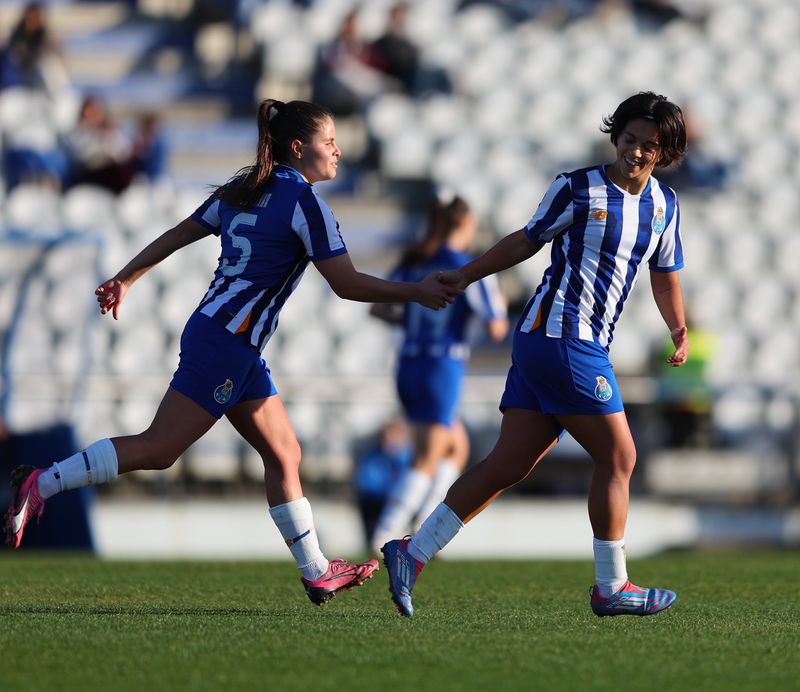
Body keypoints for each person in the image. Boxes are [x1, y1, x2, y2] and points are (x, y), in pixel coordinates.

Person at [4, 98, 460, 607]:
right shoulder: (304, 203)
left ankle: (317, 572)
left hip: (225, 338)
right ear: (297, 147)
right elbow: (347, 285)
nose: (336, 150)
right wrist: (417, 291)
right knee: (159, 449)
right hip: (227, 343)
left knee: (284, 452)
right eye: (327, 141)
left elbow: (181, 233)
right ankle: (42, 482)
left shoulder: (245, 190)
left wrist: (127, 277)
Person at [381, 91, 690, 618]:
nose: (635, 152)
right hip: (561, 336)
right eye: (630, 140)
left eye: (649, 146)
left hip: (561, 341)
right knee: (620, 456)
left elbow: (665, 273)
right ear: (615, 135)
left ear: (665, 152)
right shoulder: (578, 187)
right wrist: (469, 272)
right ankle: (611, 586)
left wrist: (678, 328)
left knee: (509, 463)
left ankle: (412, 552)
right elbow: (525, 241)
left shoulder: (664, 206)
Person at [369, 195, 508, 552]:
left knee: (455, 447)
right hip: (441, 366)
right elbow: (496, 327)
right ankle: (385, 535)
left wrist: (414, 321)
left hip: (409, 363)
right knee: (427, 457)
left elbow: (379, 310)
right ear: (464, 224)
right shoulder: (468, 267)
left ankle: (424, 525)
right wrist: (495, 310)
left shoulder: (417, 260)